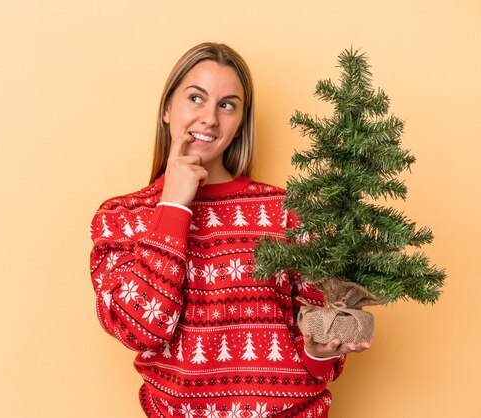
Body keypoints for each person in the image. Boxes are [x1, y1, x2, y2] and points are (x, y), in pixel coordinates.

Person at [89, 42, 370, 417]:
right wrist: (172, 205)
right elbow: (142, 329)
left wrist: (318, 351)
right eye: (196, 98)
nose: (209, 118)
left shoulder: (287, 212)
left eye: (227, 105)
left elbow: (320, 340)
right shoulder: (122, 216)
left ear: (239, 123)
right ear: (168, 109)